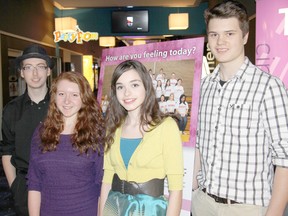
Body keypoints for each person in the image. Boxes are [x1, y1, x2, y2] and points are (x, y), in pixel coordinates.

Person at [192, 1, 288, 216]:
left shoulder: (268, 87)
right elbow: (198, 143)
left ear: (244, 36)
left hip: (247, 208)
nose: (220, 41)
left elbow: (285, 160)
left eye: (229, 34)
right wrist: (194, 189)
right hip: (202, 204)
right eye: (214, 34)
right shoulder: (204, 86)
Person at [99, 60, 184, 216]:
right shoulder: (113, 128)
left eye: (134, 85)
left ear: (146, 86)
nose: (127, 93)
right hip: (114, 207)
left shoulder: (166, 127)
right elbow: (106, 181)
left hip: (150, 210)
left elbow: (176, 189)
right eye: (120, 87)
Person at [27, 72, 105, 216]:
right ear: (54, 97)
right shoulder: (41, 132)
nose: (67, 101)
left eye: (74, 95)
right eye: (62, 94)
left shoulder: (97, 134)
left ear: (84, 98)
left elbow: (102, 186)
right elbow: (34, 183)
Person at [1, 44, 54, 215]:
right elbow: (7, 150)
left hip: (58, 182)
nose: (35, 74)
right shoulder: (11, 110)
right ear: (22, 73)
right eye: (29, 68)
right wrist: (15, 186)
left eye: (40, 67)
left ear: (48, 71)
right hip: (24, 185)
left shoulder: (61, 105)